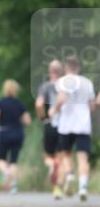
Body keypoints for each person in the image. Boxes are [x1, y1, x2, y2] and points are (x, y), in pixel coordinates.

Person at [49, 55, 96, 202]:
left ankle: (70, 175)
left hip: (66, 125)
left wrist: (54, 110)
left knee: (66, 154)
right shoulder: (87, 82)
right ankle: (83, 187)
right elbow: (92, 106)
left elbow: (62, 98)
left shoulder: (62, 81)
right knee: (83, 158)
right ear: (78, 67)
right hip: (83, 125)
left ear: (65, 68)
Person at [0, 79, 31, 194]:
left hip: (4, 132)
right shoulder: (20, 103)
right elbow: (27, 120)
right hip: (18, 132)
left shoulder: (0, 102)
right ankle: (13, 186)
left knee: (1, 159)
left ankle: (7, 173)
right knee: (14, 160)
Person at [35, 60, 64, 197]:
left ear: (49, 72)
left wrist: (43, 118)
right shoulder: (66, 86)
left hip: (50, 123)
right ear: (61, 72)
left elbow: (39, 104)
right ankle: (58, 189)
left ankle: (51, 165)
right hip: (65, 125)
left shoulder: (45, 86)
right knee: (62, 157)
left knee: (48, 156)